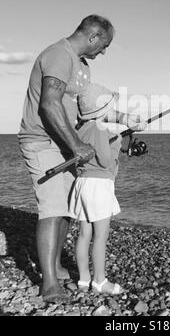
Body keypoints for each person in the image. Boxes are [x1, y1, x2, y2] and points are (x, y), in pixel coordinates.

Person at [18, 15, 146, 303]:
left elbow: (90, 111)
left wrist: (126, 120)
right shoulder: (58, 55)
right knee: (52, 207)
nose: (104, 52)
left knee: (65, 208)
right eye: (104, 45)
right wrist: (76, 144)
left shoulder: (83, 67)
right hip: (43, 141)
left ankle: (56, 266)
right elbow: (49, 103)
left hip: (65, 142)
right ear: (93, 36)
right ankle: (49, 283)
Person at [69, 84, 125, 295]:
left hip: (82, 184)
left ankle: (84, 279)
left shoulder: (80, 129)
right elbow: (105, 160)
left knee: (84, 234)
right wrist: (117, 144)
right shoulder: (99, 128)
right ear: (102, 110)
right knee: (100, 236)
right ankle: (100, 281)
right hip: (99, 186)